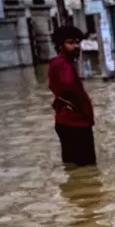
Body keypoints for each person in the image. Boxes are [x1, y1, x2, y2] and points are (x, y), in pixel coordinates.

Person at [48, 25, 96, 167]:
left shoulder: (62, 63)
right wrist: (78, 106)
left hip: (70, 121)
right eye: (70, 43)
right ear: (60, 45)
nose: (76, 46)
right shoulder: (62, 64)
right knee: (86, 167)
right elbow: (68, 84)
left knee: (74, 168)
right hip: (75, 123)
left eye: (77, 42)